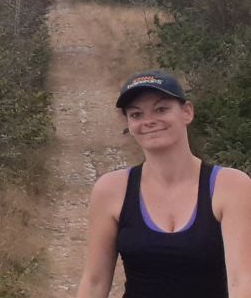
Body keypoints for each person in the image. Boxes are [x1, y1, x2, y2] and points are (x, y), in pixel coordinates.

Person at [77, 70, 251, 297]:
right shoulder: (111, 189)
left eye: (161, 109)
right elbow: (95, 281)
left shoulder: (230, 186)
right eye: (136, 114)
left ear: (187, 112)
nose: (149, 121)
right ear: (129, 124)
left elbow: (242, 281)